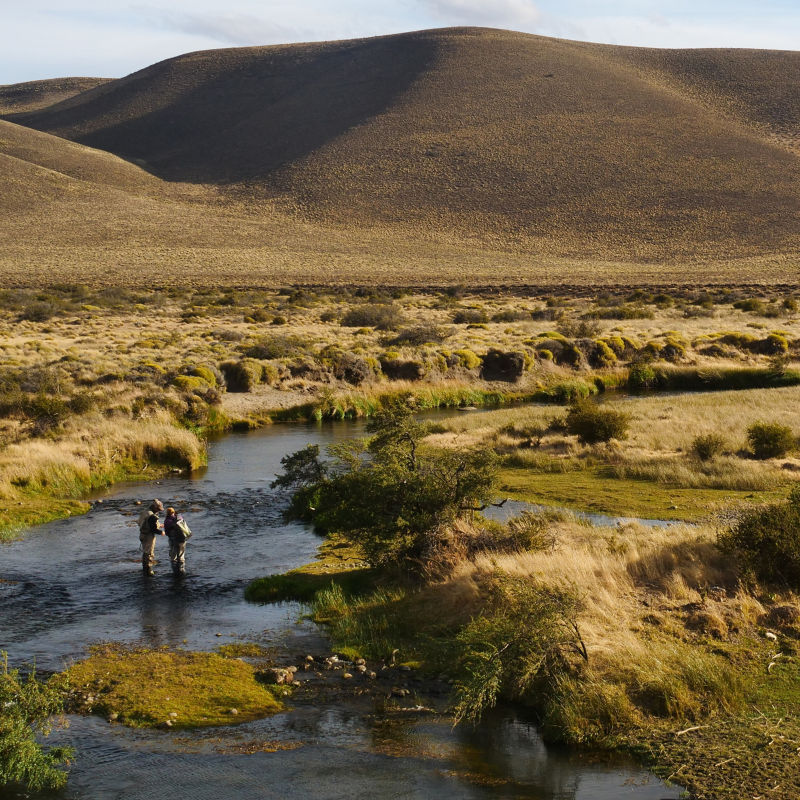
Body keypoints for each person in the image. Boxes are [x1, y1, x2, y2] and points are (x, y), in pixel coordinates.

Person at [138, 499, 164, 576]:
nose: (159, 511)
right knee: (149, 553)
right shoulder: (152, 516)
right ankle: (149, 571)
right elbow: (153, 529)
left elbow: (143, 523)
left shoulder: (145, 512)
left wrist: (159, 525)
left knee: (145, 552)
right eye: (158, 509)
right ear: (154, 507)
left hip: (142, 534)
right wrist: (161, 532)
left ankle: (145, 570)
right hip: (149, 536)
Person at [163, 507, 189, 577]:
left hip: (172, 539)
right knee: (181, 556)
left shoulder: (166, 520)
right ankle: (182, 573)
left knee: (173, 556)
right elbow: (183, 523)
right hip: (181, 539)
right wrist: (178, 514)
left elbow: (166, 532)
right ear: (173, 512)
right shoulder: (178, 517)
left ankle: (175, 573)